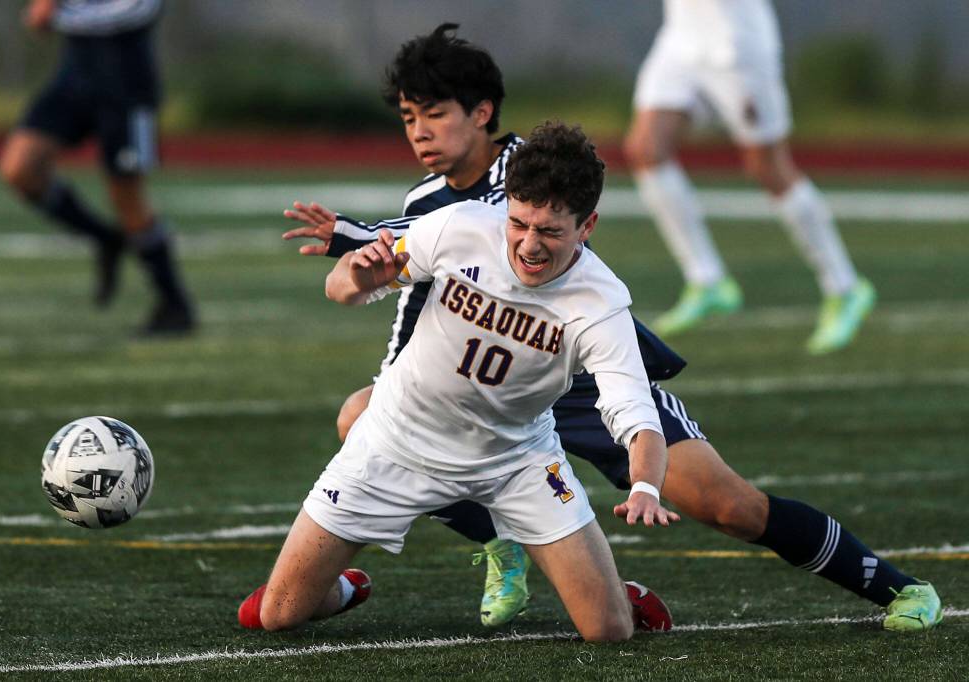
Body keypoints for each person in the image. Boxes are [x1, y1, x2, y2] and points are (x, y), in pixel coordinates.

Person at [282, 25, 942, 633]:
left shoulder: (529, 170)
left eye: (434, 114)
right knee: (359, 416)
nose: (419, 133)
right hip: (492, 394)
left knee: (727, 505)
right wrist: (360, 260)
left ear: (482, 114)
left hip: (578, 372)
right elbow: (411, 276)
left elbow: (487, 228)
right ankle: (505, 545)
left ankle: (896, 587)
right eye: (408, 118)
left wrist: (354, 236)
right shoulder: (426, 200)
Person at [239, 123, 676, 641]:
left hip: (518, 461)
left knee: (608, 631)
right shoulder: (462, 226)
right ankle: (344, 588)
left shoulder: (600, 303)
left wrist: (645, 485)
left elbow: (636, 413)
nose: (529, 245)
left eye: (550, 232)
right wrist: (360, 273)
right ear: (506, 205)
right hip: (394, 440)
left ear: (587, 225)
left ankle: (614, 591)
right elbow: (342, 290)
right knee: (277, 614)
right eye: (519, 223)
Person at [624, 0, 874, 354]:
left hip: (737, 46)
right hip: (682, 38)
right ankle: (708, 280)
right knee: (646, 148)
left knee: (768, 167)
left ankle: (845, 288)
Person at [0, 0, 194, 336]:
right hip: (75, 64)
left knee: (127, 199)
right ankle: (105, 239)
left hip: (126, 70)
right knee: (20, 168)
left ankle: (175, 305)